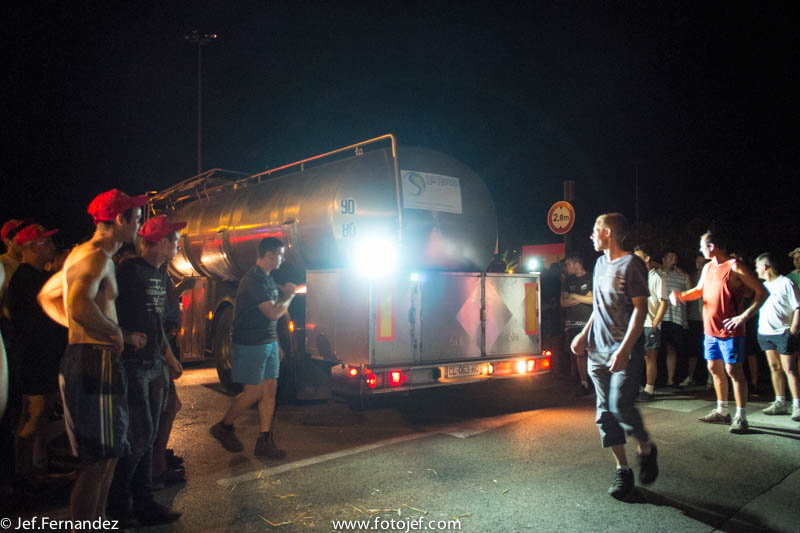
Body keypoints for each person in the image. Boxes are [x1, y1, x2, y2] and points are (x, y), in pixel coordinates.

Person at [38, 189, 148, 523]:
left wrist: (83, 328)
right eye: (137, 219)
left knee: (110, 455)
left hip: (93, 358)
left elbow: (48, 296)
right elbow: (78, 304)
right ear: (120, 220)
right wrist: (115, 332)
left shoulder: (82, 254)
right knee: (97, 462)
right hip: (92, 362)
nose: (139, 226)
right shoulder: (96, 256)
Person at [571, 213, 658, 500]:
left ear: (607, 232)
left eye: (595, 230)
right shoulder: (599, 264)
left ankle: (646, 447)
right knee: (604, 414)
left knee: (620, 405)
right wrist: (583, 334)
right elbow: (598, 307)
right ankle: (623, 470)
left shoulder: (631, 264)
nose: (591, 236)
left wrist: (624, 349)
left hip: (623, 351)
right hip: (597, 350)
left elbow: (640, 310)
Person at [106, 215, 184, 525]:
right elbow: (105, 309)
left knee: (148, 437)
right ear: (162, 242)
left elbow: (156, 321)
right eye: (175, 240)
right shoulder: (128, 270)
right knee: (139, 436)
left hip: (154, 364)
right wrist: (124, 336)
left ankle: (144, 502)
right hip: (133, 365)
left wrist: (168, 356)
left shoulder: (161, 273)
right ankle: (118, 505)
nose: (178, 246)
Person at [669, 230, 767, 434]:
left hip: (731, 331)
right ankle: (722, 411)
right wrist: (680, 296)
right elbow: (699, 291)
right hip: (710, 330)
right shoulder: (708, 267)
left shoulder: (735, 266)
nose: (700, 249)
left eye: (702, 246)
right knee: (714, 368)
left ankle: (741, 416)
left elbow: (761, 292)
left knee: (734, 371)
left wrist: (743, 317)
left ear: (712, 246)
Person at [210, 237, 295, 458]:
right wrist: (289, 296)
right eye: (280, 254)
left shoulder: (267, 278)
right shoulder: (253, 280)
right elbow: (273, 313)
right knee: (254, 392)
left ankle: (264, 440)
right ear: (269, 255)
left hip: (267, 342)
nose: (283, 259)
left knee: (270, 389)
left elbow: (271, 320)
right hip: (251, 343)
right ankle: (224, 426)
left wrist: (276, 344)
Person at [6, 224, 66, 482]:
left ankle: (39, 464)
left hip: (46, 356)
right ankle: (22, 474)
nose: (52, 246)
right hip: (33, 358)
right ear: (31, 247)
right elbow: (29, 325)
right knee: (32, 414)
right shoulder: (23, 279)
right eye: (46, 242)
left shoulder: (40, 276)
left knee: (42, 413)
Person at [754, 253, 800, 421]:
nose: (756, 270)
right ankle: (780, 401)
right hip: (766, 332)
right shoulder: (763, 286)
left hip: (783, 332)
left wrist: (793, 329)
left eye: (757, 266)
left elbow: (797, 307)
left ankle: (797, 405)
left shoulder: (786, 282)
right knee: (774, 367)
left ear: (765, 267)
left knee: (790, 369)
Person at [633, 245, 667, 402]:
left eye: (638, 257)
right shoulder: (636, 277)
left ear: (647, 258)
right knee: (636, 356)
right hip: (637, 323)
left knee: (650, 357)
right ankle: (635, 387)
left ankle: (649, 389)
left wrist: (655, 323)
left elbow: (664, 302)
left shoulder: (657, 278)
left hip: (649, 323)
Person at [561, 255, 593, 395]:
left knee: (591, 352)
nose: (566, 268)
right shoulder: (568, 280)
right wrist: (584, 297)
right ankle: (583, 383)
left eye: (568, 264)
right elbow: (563, 302)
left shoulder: (591, 277)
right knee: (579, 353)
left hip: (588, 323)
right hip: (572, 324)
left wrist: (573, 296)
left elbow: (593, 299)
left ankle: (594, 382)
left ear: (576, 264)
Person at [660, 251, 690, 388]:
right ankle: (655, 380)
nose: (674, 259)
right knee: (656, 349)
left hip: (675, 317)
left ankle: (671, 380)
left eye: (675, 258)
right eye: (670, 257)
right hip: (658, 317)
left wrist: (686, 276)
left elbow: (690, 293)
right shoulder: (656, 274)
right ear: (664, 259)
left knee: (673, 348)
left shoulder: (680, 275)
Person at [682, 254, 709, 387]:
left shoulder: (710, 275)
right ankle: (690, 376)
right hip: (693, 318)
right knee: (693, 349)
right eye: (698, 262)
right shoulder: (692, 276)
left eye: (703, 262)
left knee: (708, 349)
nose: (700, 265)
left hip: (707, 319)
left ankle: (710, 378)